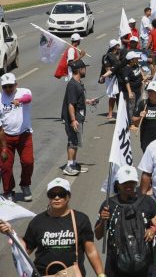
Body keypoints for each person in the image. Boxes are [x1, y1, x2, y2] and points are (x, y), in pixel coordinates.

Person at [0, 178, 106, 276]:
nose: (57, 198)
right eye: (52, 194)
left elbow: (91, 250)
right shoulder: (38, 221)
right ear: (48, 197)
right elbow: (26, 250)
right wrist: (11, 232)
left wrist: (100, 274)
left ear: (68, 196)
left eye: (61, 194)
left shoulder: (81, 219)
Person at [95, 165, 156, 277]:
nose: (129, 185)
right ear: (118, 184)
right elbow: (98, 235)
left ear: (136, 183)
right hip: (115, 269)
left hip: (145, 267)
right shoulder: (108, 205)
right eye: (125, 182)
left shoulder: (147, 202)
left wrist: (153, 229)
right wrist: (102, 220)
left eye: (132, 182)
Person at [61, 59, 99, 176]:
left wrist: (88, 101)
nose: (85, 70)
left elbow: (77, 100)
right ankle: (69, 166)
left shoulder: (78, 83)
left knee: (76, 141)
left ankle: (74, 163)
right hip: (74, 119)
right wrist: (73, 120)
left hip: (78, 117)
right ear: (79, 70)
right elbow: (71, 104)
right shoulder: (72, 85)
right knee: (72, 141)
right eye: (84, 68)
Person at [0, 72, 34, 201]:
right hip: (6, 138)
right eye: (5, 87)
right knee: (5, 166)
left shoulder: (23, 92)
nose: (8, 89)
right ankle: (8, 191)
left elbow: (28, 98)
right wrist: (3, 148)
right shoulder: (0, 99)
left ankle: (25, 185)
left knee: (28, 162)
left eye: (10, 86)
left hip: (24, 135)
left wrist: (18, 101)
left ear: (16, 84)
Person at [99, 39, 122, 120]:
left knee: (120, 95)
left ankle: (121, 112)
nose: (119, 46)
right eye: (118, 45)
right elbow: (107, 68)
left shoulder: (119, 54)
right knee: (112, 96)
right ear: (115, 46)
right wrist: (107, 75)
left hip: (119, 78)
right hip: (111, 79)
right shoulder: (107, 56)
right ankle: (110, 113)